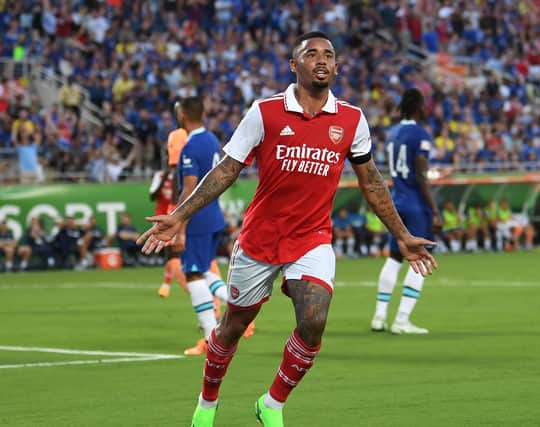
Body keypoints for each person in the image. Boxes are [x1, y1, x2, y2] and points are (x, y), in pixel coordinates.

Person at [137, 31, 437, 427]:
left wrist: (401, 234)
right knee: (231, 329)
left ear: (336, 67)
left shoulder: (351, 118)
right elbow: (228, 168)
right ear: (294, 65)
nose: (322, 59)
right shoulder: (264, 112)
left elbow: (372, 181)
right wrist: (180, 213)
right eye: (311, 53)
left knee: (313, 321)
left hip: (312, 238)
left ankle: (272, 404)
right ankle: (207, 404)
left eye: (329, 54)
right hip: (260, 239)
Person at [371, 88, 441, 335]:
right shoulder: (420, 134)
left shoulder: (393, 134)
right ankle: (401, 320)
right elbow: (422, 176)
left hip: (397, 202)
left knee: (394, 257)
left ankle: (379, 317)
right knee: (420, 259)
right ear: (418, 108)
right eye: (424, 105)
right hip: (416, 204)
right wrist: (435, 210)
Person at [173, 96, 234, 356]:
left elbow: (188, 190)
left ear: (184, 115)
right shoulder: (211, 140)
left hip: (197, 219)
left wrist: (180, 227)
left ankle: (211, 339)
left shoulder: (190, 147)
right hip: (214, 216)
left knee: (193, 274)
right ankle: (237, 302)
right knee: (205, 270)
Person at [151, 127, 189, 298]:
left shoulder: (182, 173)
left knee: (172, 254)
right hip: (162, 216)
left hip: (175, 214)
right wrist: (165, 177)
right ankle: (167, 284)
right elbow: (153, 195)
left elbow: (178, 196)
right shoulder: (160, 175)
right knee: (170, 253)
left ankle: (187, 288)